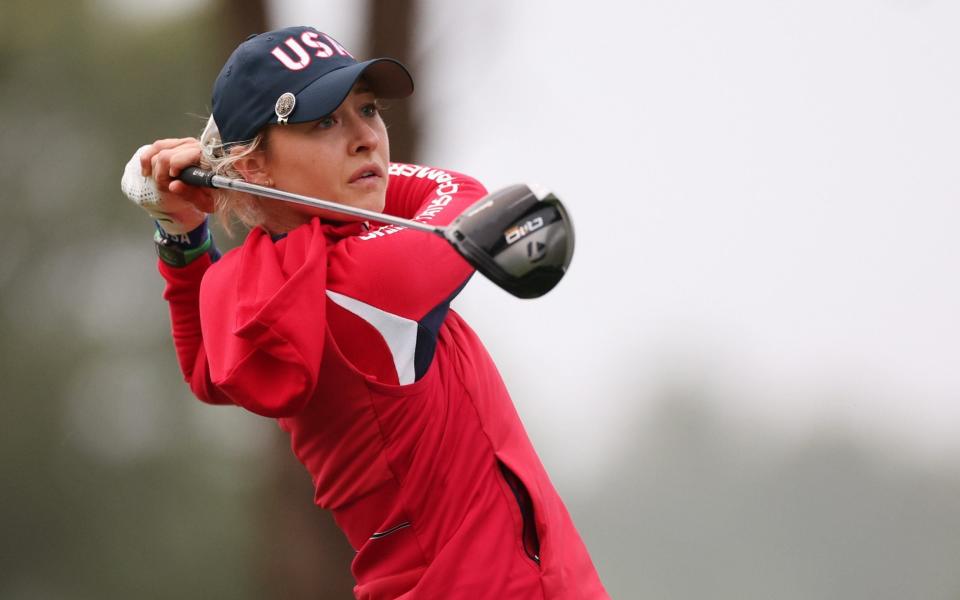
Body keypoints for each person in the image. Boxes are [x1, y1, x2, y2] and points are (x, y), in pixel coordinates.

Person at [128, 25, 608, 599]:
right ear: (256, 168)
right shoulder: (367, 284)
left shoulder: (265, 283)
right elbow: (465, 197)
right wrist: (225, 169)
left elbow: (205, 363)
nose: (366, 139)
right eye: (324, 122)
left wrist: (180, 231)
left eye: (368, 110)